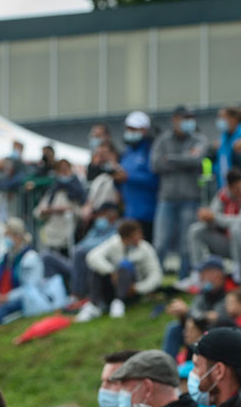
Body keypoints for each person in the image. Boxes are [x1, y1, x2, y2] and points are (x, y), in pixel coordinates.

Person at [0, 218, 67, 328]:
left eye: (8, 235)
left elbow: (31, 287)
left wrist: (7, 297)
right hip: (1, 297)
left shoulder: (30, 258)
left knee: (7, 307)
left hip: (21, 298)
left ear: (17, 236)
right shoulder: (3, 258)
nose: (5, 239)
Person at [151, 106, 208, 280]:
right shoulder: (162, 140)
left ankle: (183, 280)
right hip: (166, 199)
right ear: (174, 119)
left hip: (191, 199)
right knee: (160, 242)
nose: (188, 121)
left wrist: (171, 158)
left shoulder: (199, 139)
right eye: (184, 118)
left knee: (186, 243)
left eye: (191, 117)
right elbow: (155, 165)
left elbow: (196, 159)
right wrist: (185, 159)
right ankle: (154, 280)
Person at [187, 168, 241, 286]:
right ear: (229, 187)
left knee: (236, 228)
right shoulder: (223, 194)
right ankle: (198, 273)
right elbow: (212, 216)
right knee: (196, 230)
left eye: (240, 188)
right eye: (234, 189)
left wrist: (214, 217)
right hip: (228, 242)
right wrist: (206, 217)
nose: (238, 192)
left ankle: (238, 273)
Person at [77, 219, 162, 322]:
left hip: (132, 291)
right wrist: (111, 271)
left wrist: (138, 288)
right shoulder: (114, 243)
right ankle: (94, 305)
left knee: (125, 266)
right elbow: (92, 256)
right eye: (136, 234)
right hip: (113, 287)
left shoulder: (146, 249)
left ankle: (119, 303)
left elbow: (156, 275)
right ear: (126, 237)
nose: (140, 237)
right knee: (97, 268)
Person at [161, 256, 229, 357]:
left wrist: (187, 312)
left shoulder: (230, 293)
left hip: (221, 336)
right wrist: (182, 315)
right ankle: (166, 366)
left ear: (216, 273)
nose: (201, 277)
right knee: (175, 328)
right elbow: (196, 313)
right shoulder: (204, 293)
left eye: (203, 273)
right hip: (200, 329)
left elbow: (215, 318)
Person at [117, 110, 159, 242]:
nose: (130, 131)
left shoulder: (151, 150)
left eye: (133, 128)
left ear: (145, 129)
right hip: (130, 212)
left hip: (148, 212)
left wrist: (128, 177)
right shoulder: (127, 152)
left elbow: (154, 179)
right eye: (128, 128)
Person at [34, 159, 84, 254]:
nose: (64, 173)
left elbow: (82, 212)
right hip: (50, 234)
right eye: (61, 170)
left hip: (68, 235)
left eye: (66, 170)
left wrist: (68, 209)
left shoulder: (78, 191)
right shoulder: (52, 192)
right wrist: (48, 210)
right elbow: (38, 212)